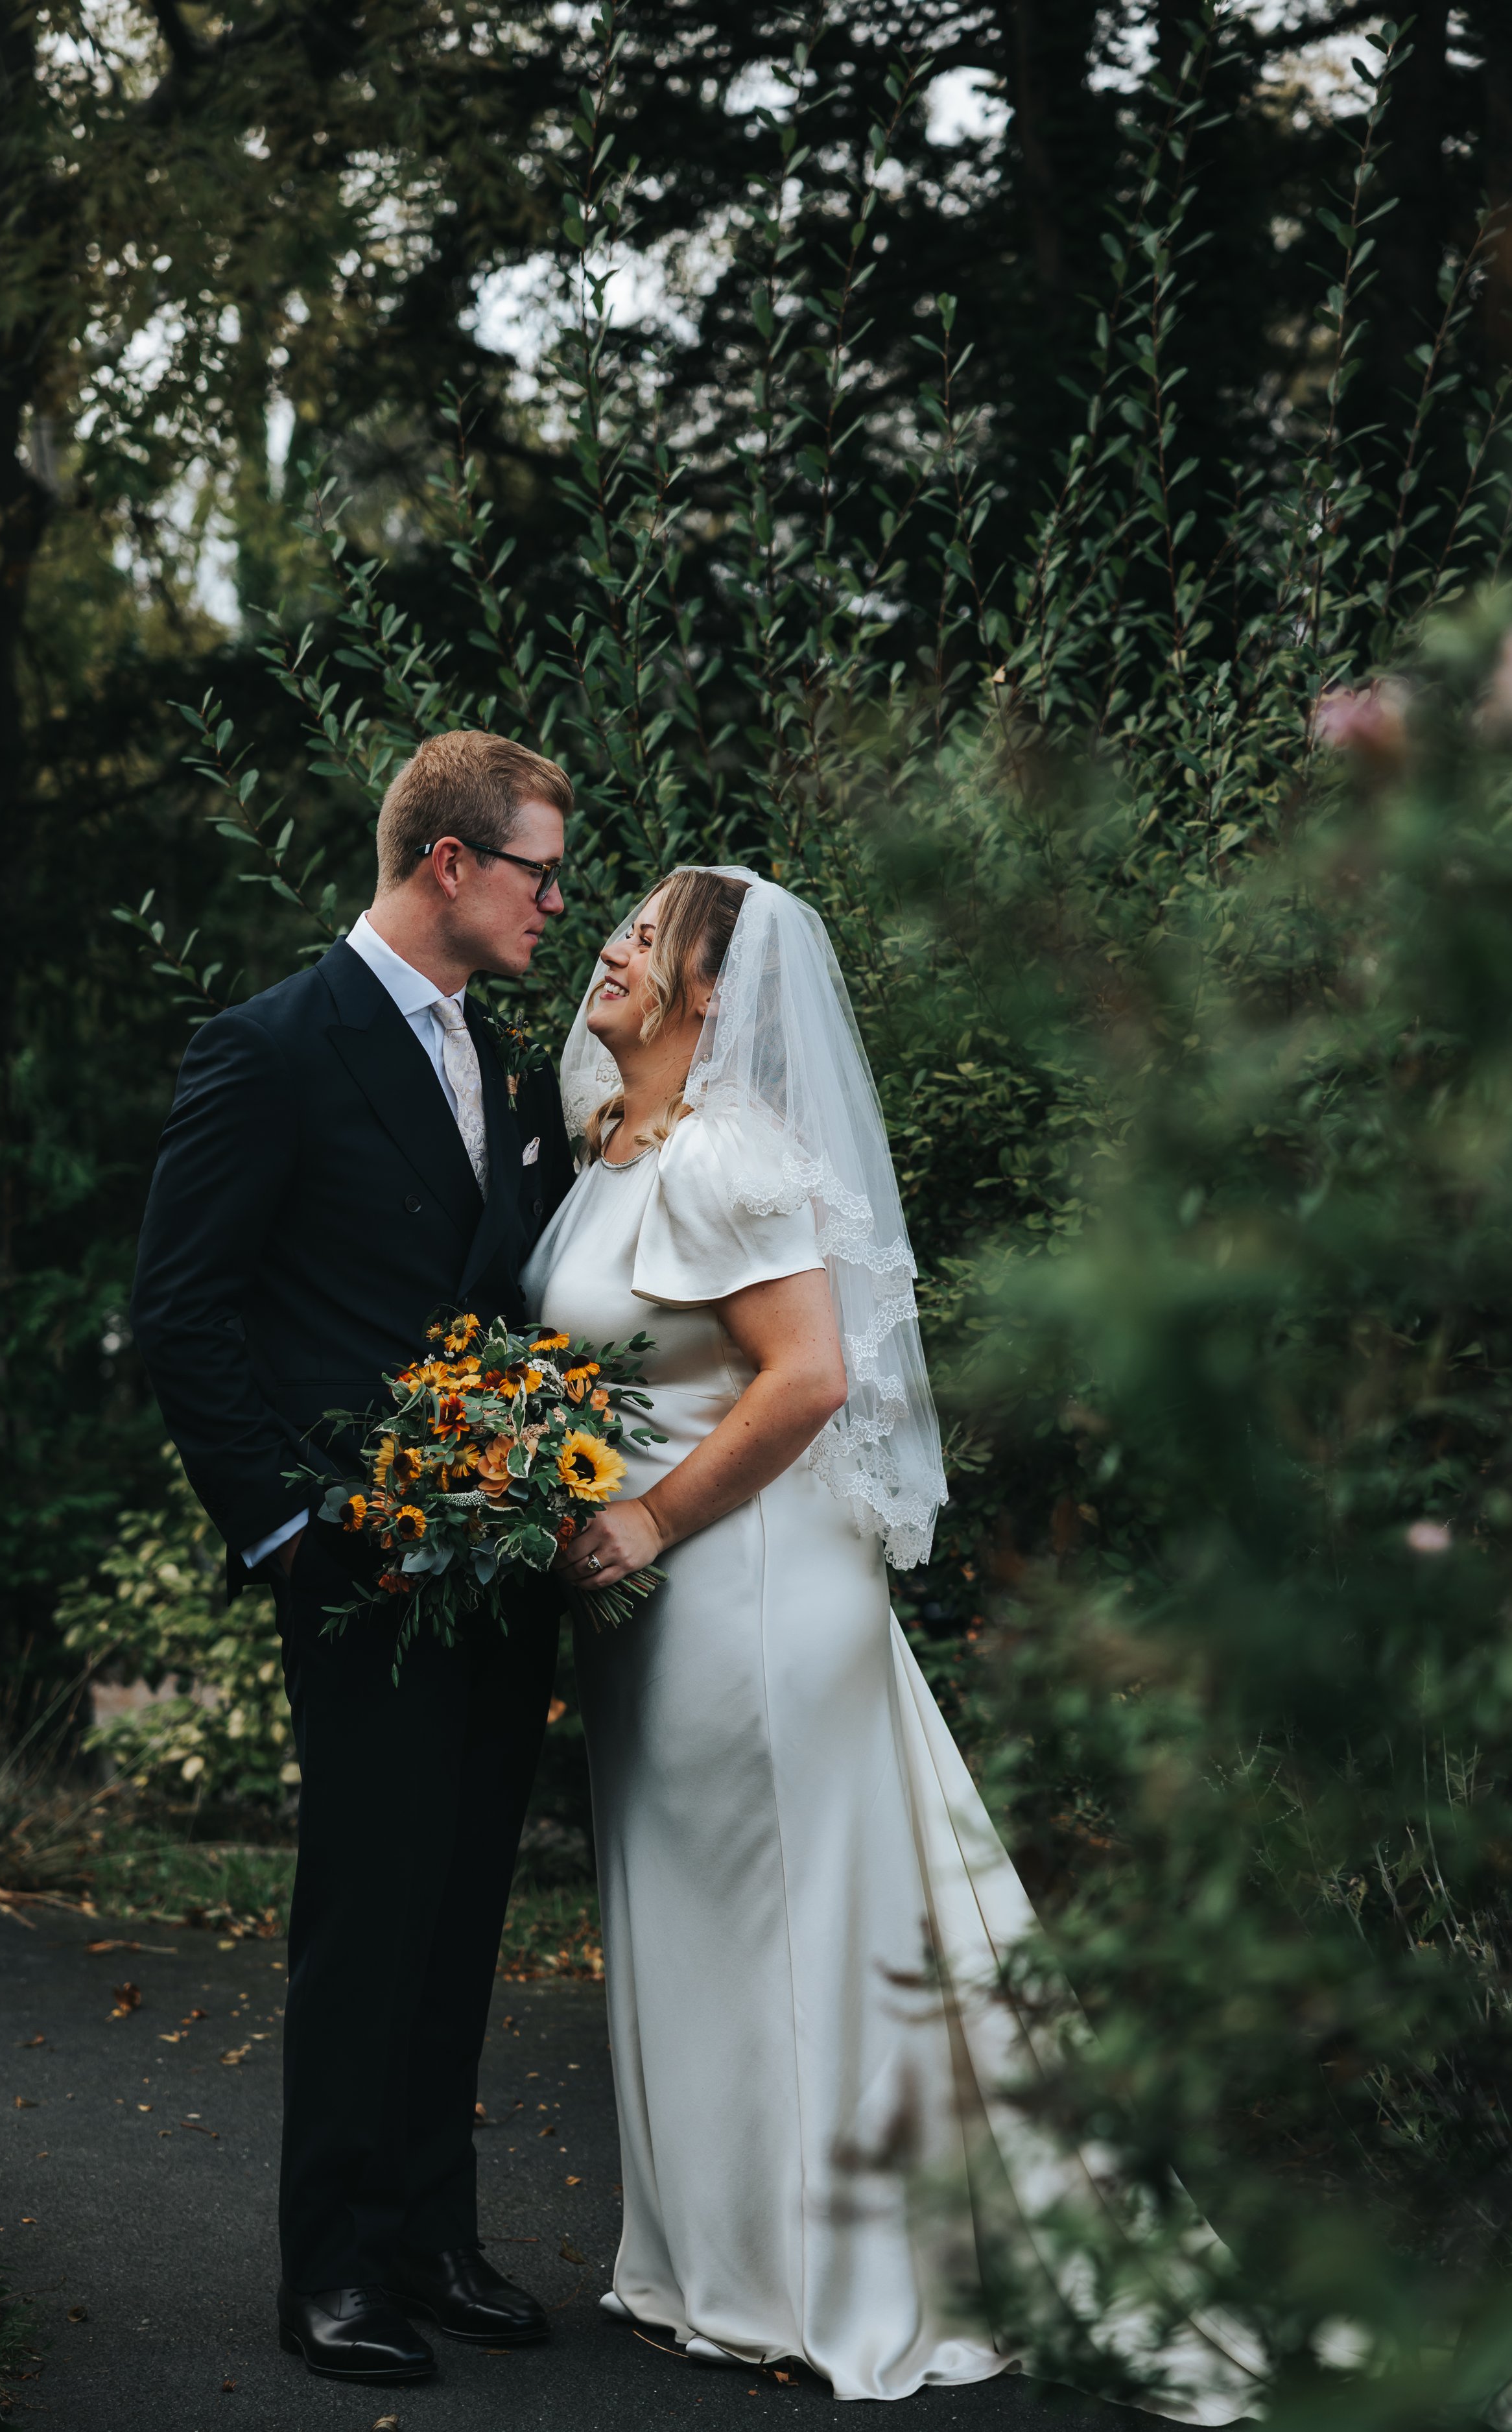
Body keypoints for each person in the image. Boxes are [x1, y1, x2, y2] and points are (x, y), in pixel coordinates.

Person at [521, 865, 1268, 2417]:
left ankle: (816, 2286)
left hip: (746, 1585)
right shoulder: (609, 1144)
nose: (610, 941)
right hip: (645, 1600)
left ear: (714, 994)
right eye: (621, 920)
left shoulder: (735, 1157)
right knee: (683, 1914)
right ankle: (699, 2268)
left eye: (648, 935)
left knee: (785, 1917)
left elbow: (801, 1381)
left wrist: (651, 1518)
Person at [130, 731, 576, 2386]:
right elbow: (181, 1311)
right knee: (365, 1918)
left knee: (461, 1913)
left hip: (496, 1571)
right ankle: (328, 2269)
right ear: (449, 863)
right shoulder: (270, 1046)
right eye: (537, 870)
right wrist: (291, 1530)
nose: (554, 901)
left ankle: (431, 2238)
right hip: (358, 1570)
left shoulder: (509, 1063)